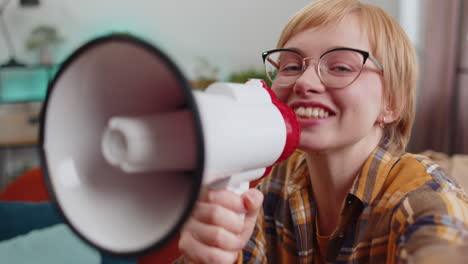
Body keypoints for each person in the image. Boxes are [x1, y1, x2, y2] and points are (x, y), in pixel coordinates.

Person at [176, 0, 468, 263]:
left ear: (391, 104)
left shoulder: (425, 198)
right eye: (290, 66)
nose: (304, 82)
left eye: (340, 67)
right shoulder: (273, 179)